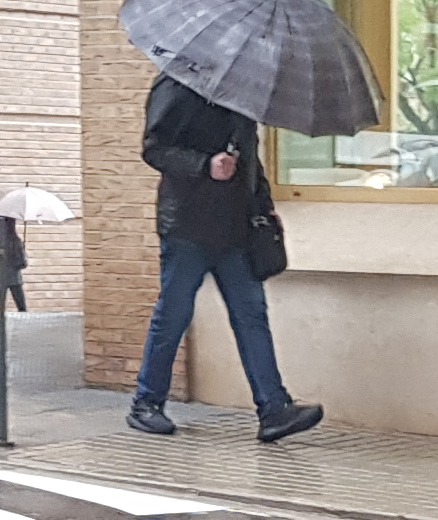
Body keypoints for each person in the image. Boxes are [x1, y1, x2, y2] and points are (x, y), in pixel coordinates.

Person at [133, 75, 323, 441]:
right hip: (188, 226)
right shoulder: (176, 85)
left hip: (236, 230)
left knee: (252, 316)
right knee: (172, 315)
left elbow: (251, 161)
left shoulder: (242, 93)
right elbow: (154, 149)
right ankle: (146, 402)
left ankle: (273, 409)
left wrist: (263, 210)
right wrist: (205, 165)